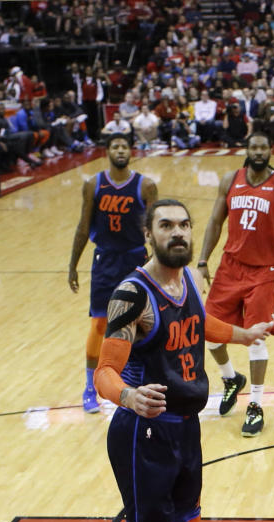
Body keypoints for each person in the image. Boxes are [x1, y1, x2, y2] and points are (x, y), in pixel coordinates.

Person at [94, 198, 273, 522]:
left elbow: (199, 325)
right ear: (148, 234)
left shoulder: (188, 279)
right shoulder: (132, 294)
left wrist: (244, 333)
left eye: (185, 225)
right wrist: (128, 396)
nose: (179, 233)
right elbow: (104, 373)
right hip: (144, 432)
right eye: (166, 225)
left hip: (186, 428)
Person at [196, 132, 274, 436]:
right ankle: (231, 378)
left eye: (263, 147)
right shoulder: (231, 179)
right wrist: (203, 260)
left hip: (265, 271)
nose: (258, 151)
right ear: (247, 149)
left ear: (270, 150)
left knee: (256, 337)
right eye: (254, 146)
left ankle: (256, 405)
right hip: (230, 267)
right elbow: (215, 222)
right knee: (209, 330)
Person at [68, 133, 158, 413]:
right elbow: (84, 226)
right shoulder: (93, 184)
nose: (120, 150)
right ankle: (90, 386)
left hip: (136, 259)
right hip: (104, 259)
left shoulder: (146, 185)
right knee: (99, 324)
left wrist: (160, 262)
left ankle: (140, 379)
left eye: (124, 146)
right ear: (107, 151)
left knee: (144, 324)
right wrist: (73, 264)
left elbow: (157, 225)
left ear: (130, 151)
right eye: (115, 146)